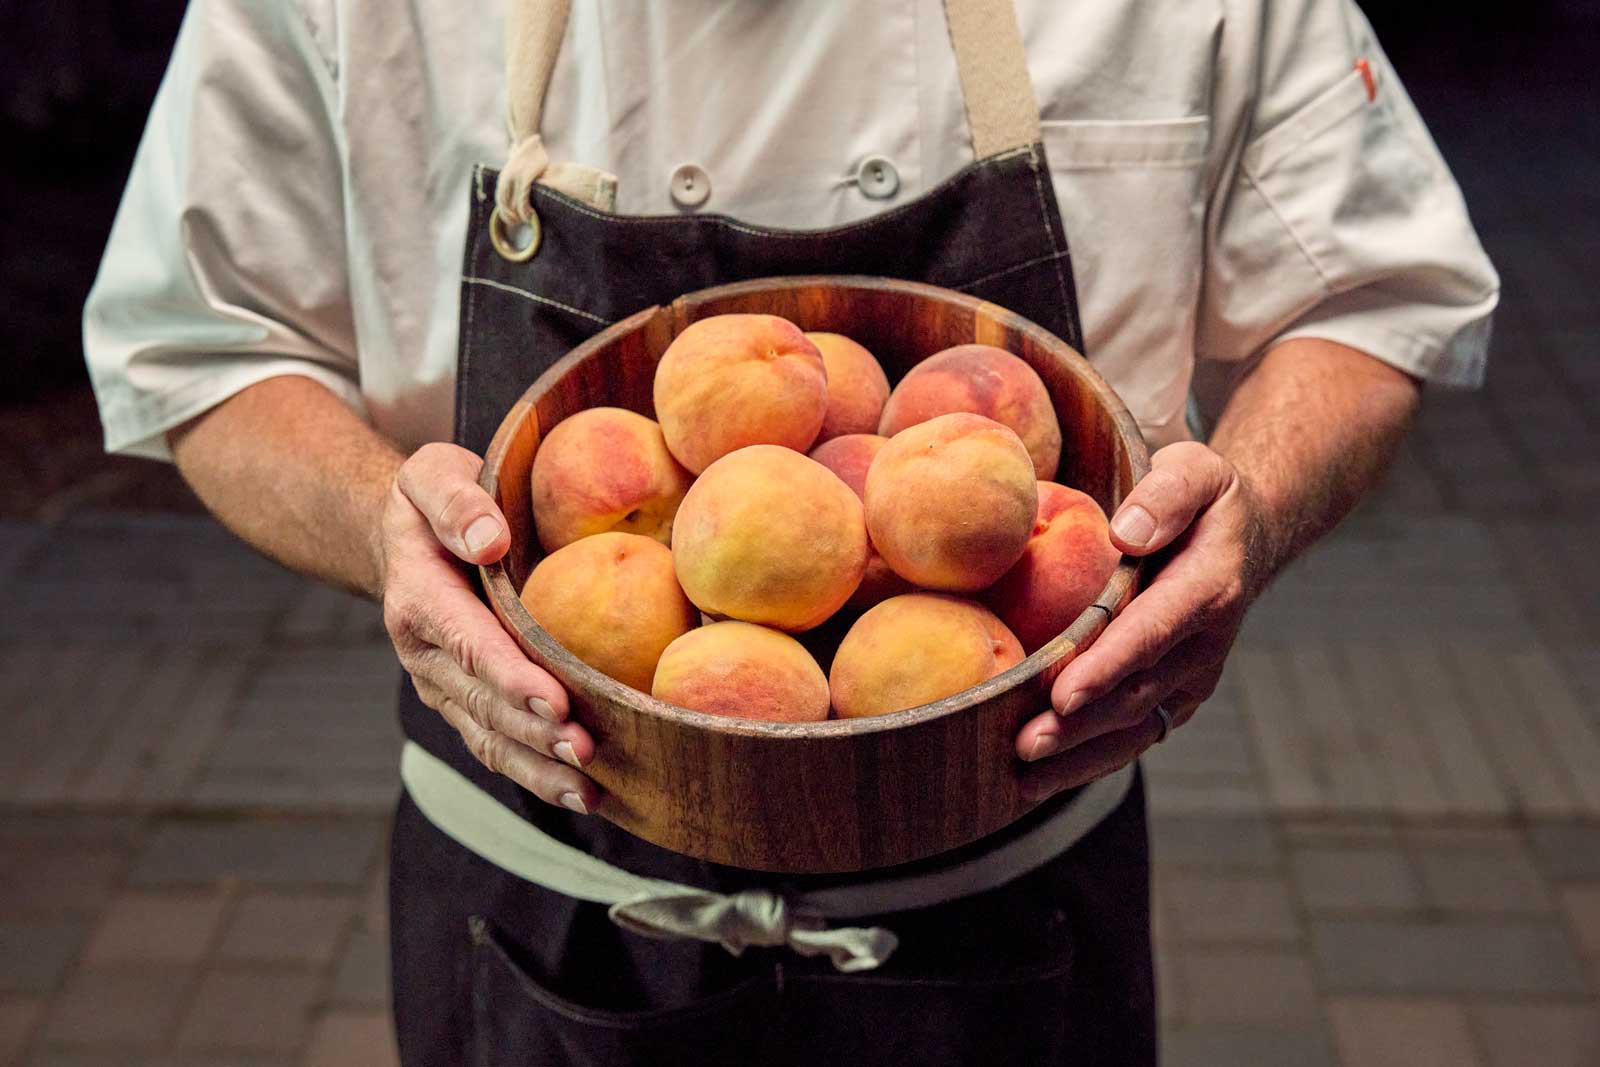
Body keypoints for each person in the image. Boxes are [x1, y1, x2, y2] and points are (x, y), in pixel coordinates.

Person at [83, 0, 1497, 1063]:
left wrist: (1247, 498)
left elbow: (1368, 291)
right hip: (536, 898)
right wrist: (375, 526)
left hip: (1023, 889)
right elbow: (201, 345)